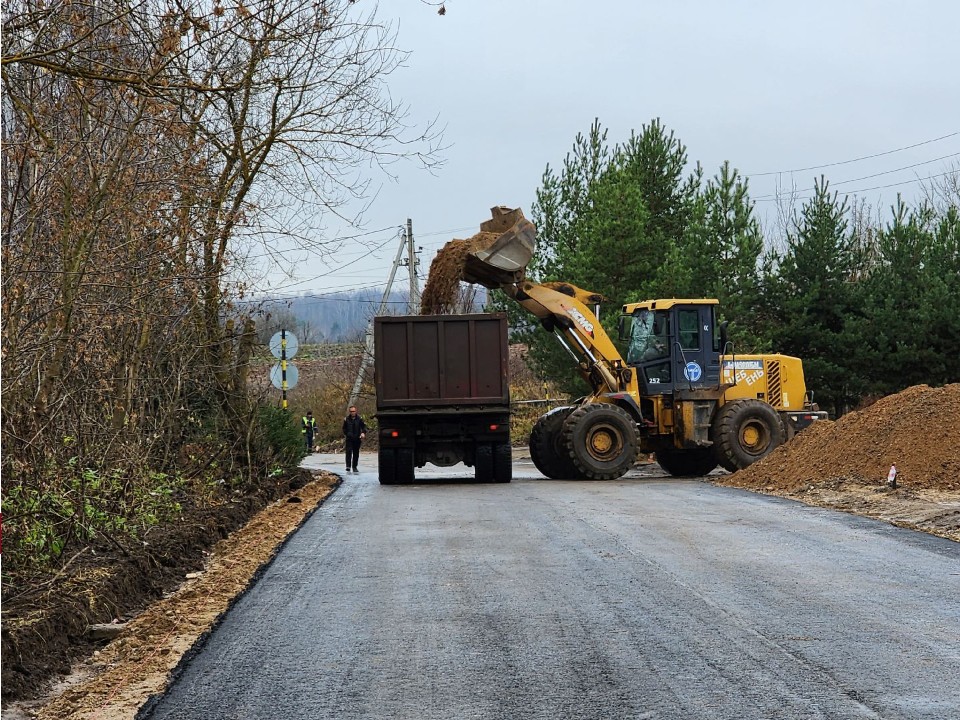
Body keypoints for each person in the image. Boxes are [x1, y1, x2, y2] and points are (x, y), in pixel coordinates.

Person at [342, 405, 367, 472]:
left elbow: (364, 427)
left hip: (357, 439)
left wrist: (363, 433)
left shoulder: (360, 418)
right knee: (348, 452)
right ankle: (348, 466)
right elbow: (344, 428)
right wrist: (347, 434)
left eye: (353, 411)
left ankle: (354, 467)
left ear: (356, 411)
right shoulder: (346, 419)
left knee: (356, 453)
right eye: (351, 411)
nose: (352, 412)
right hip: (349, 439)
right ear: (349, 412)